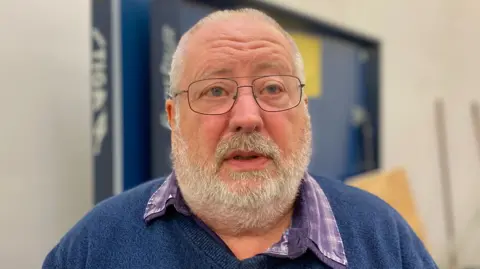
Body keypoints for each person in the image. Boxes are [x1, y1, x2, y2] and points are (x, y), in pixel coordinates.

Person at [43, 8, 438, 269]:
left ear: (305, 111)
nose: (247, 117)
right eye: (215, 91)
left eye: (271, 88)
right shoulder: (93, 249)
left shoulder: (384, 241)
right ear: (173, 117)